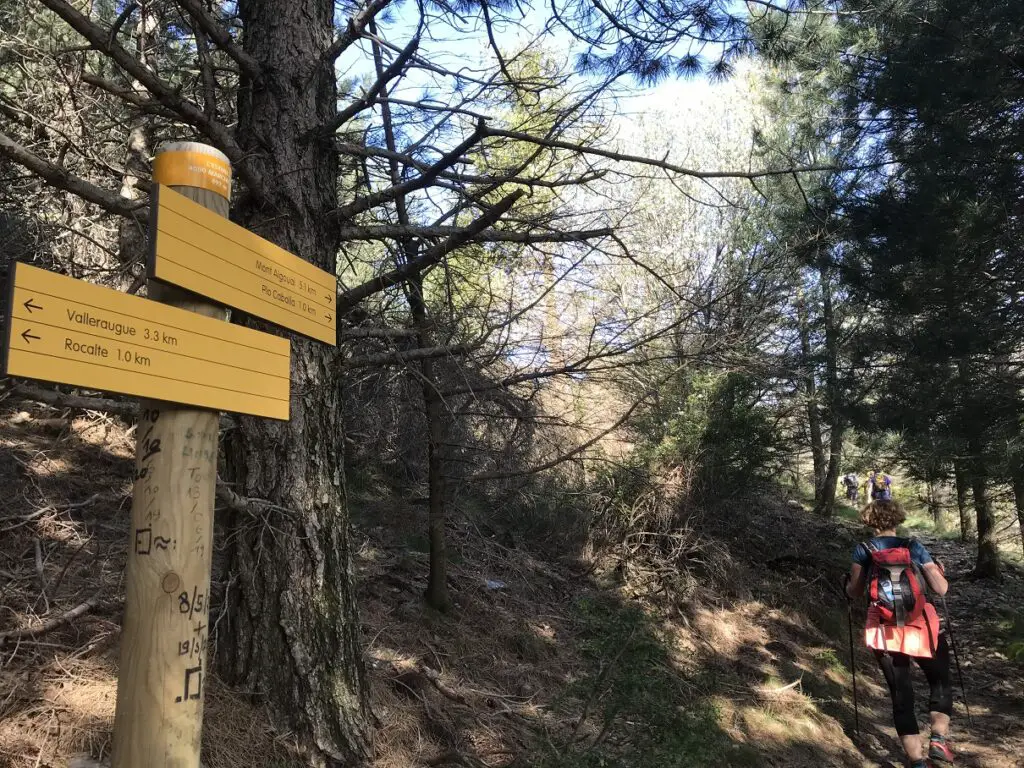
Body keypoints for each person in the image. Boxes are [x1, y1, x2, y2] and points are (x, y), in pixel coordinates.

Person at [846, 498, 955, 767]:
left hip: (884, 631)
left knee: (901, 694)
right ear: (898, 519)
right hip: (922, 626)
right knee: (939, 681)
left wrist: (845, 584)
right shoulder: (913, 547)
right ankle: (939, 739)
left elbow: (855, 592)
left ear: (868, 520)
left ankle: (917, 761)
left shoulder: (864, 550)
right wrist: (938, 571)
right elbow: (940, 590)